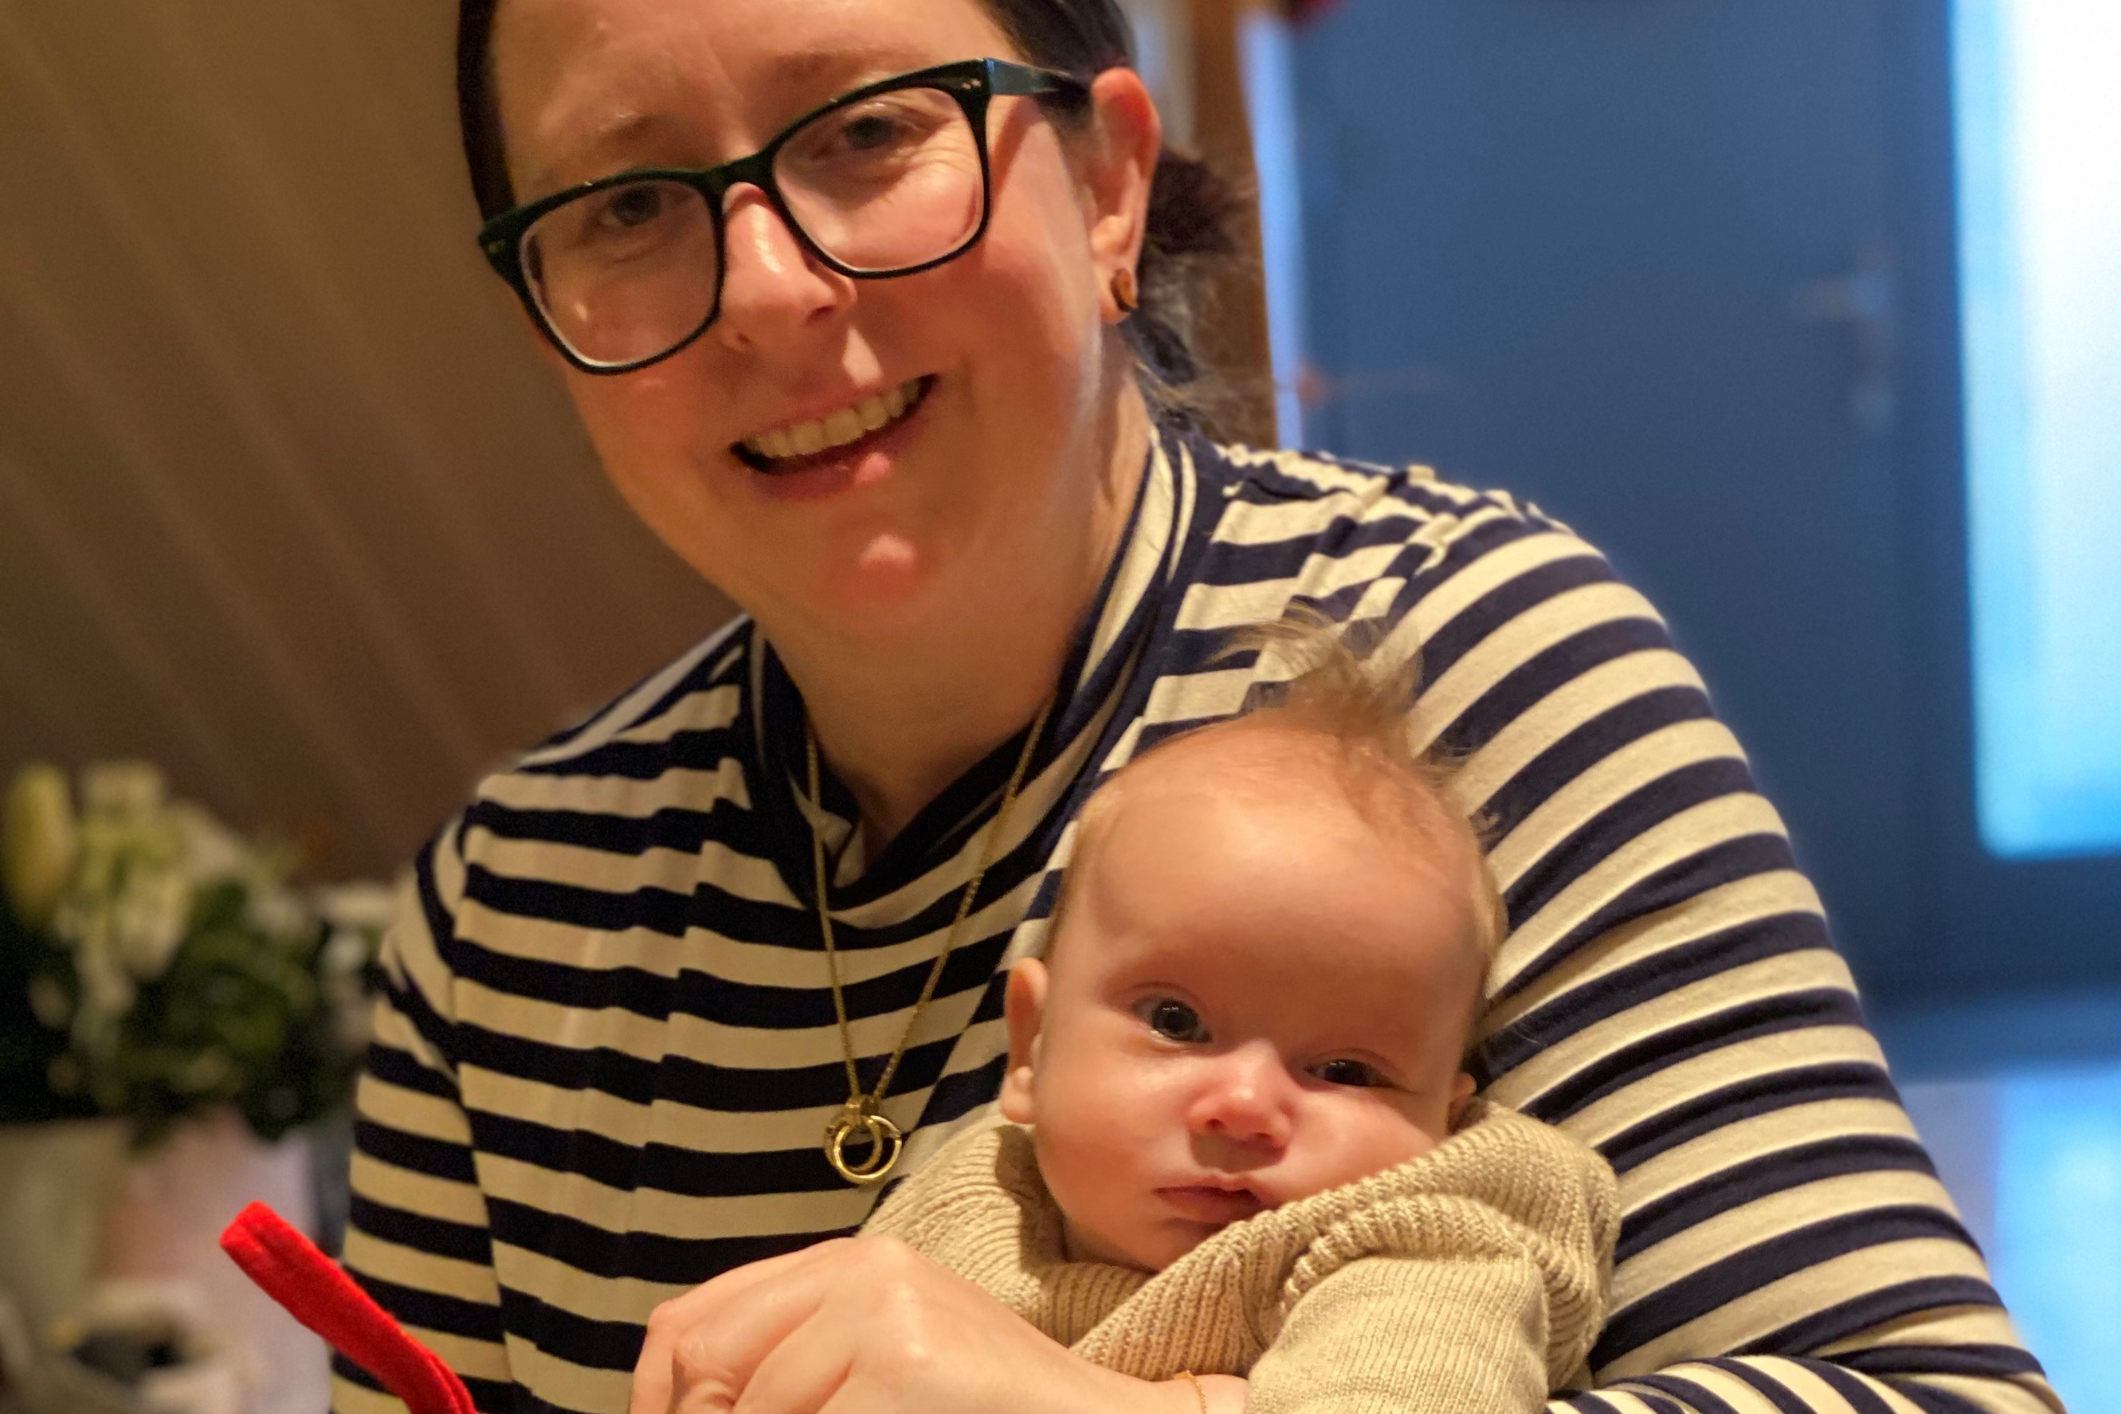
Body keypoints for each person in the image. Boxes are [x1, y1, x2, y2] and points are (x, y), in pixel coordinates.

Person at [334, 2, 2061, 1412]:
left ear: (1107, 188)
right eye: (624, 204)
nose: (772, 287)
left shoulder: (1458, 669)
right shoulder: (504, 909)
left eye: (867, 131)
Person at [861, 620, 1621, 1414]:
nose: (1246, 1106)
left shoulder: (1421, 1253)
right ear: (1030, 1050)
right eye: (1175, 1022)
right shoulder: (970, 1196)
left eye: (1343, 1071)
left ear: (1442, 1118)